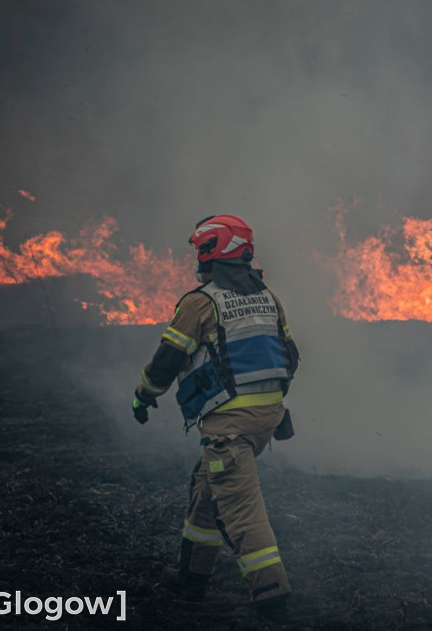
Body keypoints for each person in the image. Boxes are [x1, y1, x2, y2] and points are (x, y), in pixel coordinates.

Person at [131, 214, 300, 611]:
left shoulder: (199, 302)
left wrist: (144, 395)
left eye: (199, 251)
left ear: (211, 253)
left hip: (229, 427)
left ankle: (271, 591)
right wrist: (277, 405)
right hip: (265, 419)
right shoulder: (268, 297)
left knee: (241, 510)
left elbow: (166, 362)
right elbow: (288, 356)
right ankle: (191, 581)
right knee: (207, 492)